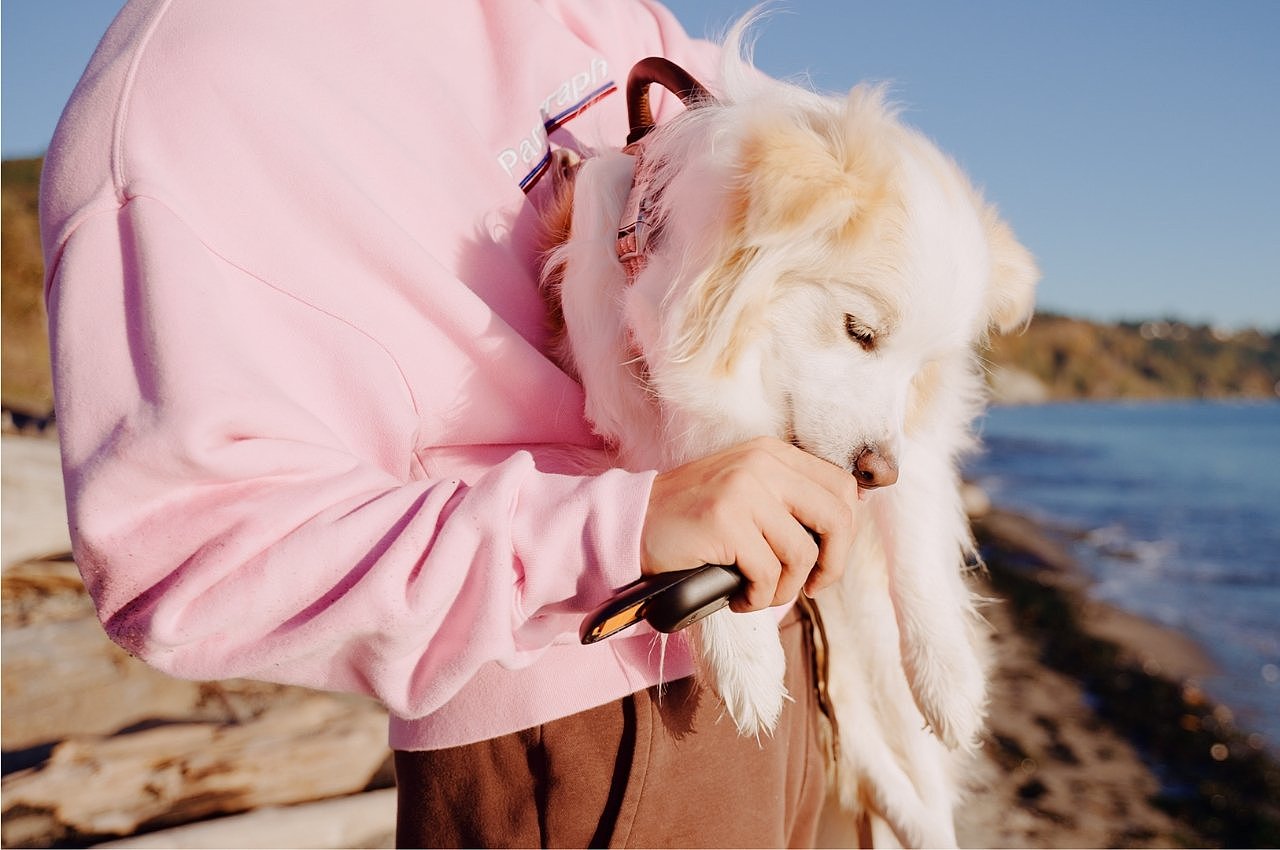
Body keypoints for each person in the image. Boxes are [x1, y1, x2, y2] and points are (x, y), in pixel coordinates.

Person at [41, 1, 859, 846]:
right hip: (585, 721)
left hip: (789, 642)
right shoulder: (180, 104)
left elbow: (757, 135)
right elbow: (193, 559)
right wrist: (616, 529)